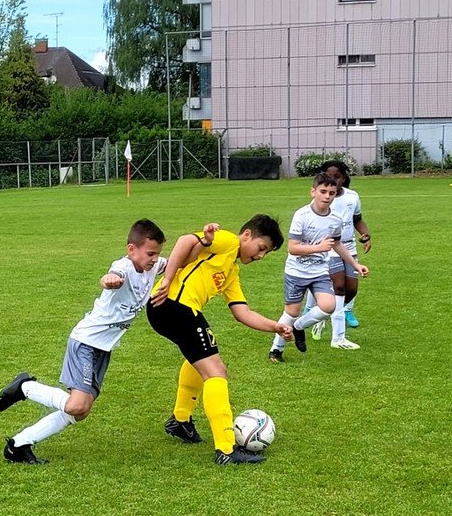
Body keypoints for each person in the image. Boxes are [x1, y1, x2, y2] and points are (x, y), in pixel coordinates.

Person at [0, 219, 167, 465]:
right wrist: (110, 280)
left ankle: (19, 445)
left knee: (81, 411)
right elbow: (112, 275)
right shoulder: (124, 266)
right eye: (150, 253)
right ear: (131, 249)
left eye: (157, 253)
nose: (154, 258)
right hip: (85, 342)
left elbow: (182, 256)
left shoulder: (154, 265)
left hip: (103, 349)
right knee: (76, 405)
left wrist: (205, 240)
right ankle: (25, 388)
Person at [147, 216, 290, 465]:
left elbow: (241, 312)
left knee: (198, 360)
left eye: (265, 253)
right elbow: (183, 241)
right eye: (261, 248)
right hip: (173, 305)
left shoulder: (231, 271)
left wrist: (275, 327)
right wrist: (168, 279)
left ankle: (180, 421)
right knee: (216, 371)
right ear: (247, 235)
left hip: (174, 309)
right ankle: (226, 449)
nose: (260, 257)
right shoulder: (227, 241)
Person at [269, 173, 369, 362]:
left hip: (319, 272)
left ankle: (299, 327)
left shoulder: (335, 219)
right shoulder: (302, 215)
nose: (327, 196)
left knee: (328, 306)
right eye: (323, 191)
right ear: (313, 191)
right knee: (291, 312)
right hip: (296, 272)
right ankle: (276, 349)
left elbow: (338, 245)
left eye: (331, 193)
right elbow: (293, 248)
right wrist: (318, 248)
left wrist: (356, 264)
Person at [304, 161, 371, 344]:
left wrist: (365, 235)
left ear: (344, 178)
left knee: (351, 290)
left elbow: (357, 219)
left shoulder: (352, 197)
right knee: (339, 287)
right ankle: (339, 337)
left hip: (348, 246)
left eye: (337, 176)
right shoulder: (321, 198)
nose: (333, 180)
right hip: (329, 248)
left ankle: (321, 314)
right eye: (329, 176)